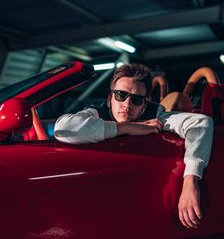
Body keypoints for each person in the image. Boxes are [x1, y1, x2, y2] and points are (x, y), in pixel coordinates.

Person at [54, 63, 214, 229]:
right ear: (110, 99)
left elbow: (201, 123)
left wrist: (190, 181)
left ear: (145, 104)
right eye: (121, 95)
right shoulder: (97, 112)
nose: (127, 105)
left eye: (136, 99)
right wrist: (126, 127)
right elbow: (63, 128)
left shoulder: (155, 116)